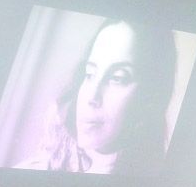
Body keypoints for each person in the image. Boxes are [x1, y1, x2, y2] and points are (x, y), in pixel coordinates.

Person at [20, 19, 177, 174]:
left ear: (150, 96)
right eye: (89, 74)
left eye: (117, 78)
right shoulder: (38, 168)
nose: (91, 97)